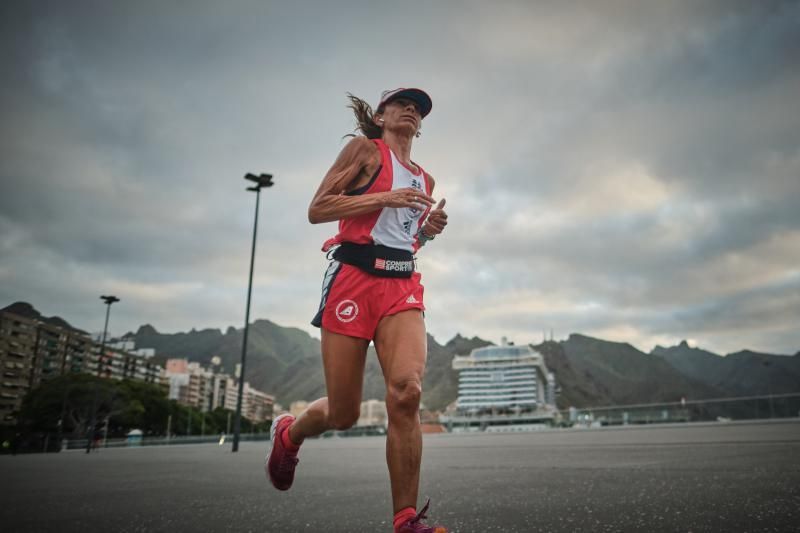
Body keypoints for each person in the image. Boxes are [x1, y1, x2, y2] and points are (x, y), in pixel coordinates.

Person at [266, 88, 449, 533]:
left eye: (418, 108)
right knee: (344, 414)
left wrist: (426, 233)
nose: (411, 110)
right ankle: (289, 434)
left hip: (402, 283)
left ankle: (406, 520)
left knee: (406, 392)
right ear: (382, 115)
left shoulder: (426, 180)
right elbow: (319, 209)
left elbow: (403, 239)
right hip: (353, 279)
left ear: (421, 125)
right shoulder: (364, 151)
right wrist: (382, 198)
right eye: (401, 103)